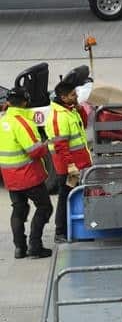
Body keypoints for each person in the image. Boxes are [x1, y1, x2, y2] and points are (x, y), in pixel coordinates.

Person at [0, 88, 53, 258]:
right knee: (44, 207)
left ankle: (19, 248)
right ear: (25, 102)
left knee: (19, 210)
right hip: (28, 175)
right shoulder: (22, 122)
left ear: (8, 102)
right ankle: (35, 246)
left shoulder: (3, 120)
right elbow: (34, 151)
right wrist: (45, 144)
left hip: (9, 175)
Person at [45, 81, 92, 244]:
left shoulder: (70, 111)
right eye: (73, 94)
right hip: (69, 169)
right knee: (66, 197)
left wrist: (80, 110)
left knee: (79, 196)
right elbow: (61, 146)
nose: (77, 95)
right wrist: (71, 167)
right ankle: (60, 232)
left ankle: (80, 229)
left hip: (81, 164)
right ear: (63, 97)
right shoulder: (58, 117)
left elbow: (84, 125)